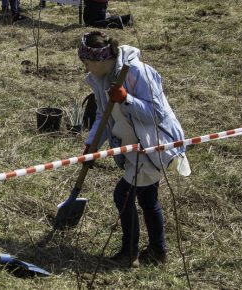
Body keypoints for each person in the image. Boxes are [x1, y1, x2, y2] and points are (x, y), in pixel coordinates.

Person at [77, 31, 189, 268]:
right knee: (148, 198)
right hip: (134, 146)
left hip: (154, 145)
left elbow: (156, 114)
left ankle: (130, 253)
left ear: (98, 60)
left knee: (123, 195)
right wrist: (92, 144)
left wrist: (127, 98)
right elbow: (103, 116)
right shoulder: (100, 79)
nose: (85, 67)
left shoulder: (137, 71)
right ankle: (158, 251)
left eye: (86, 62)